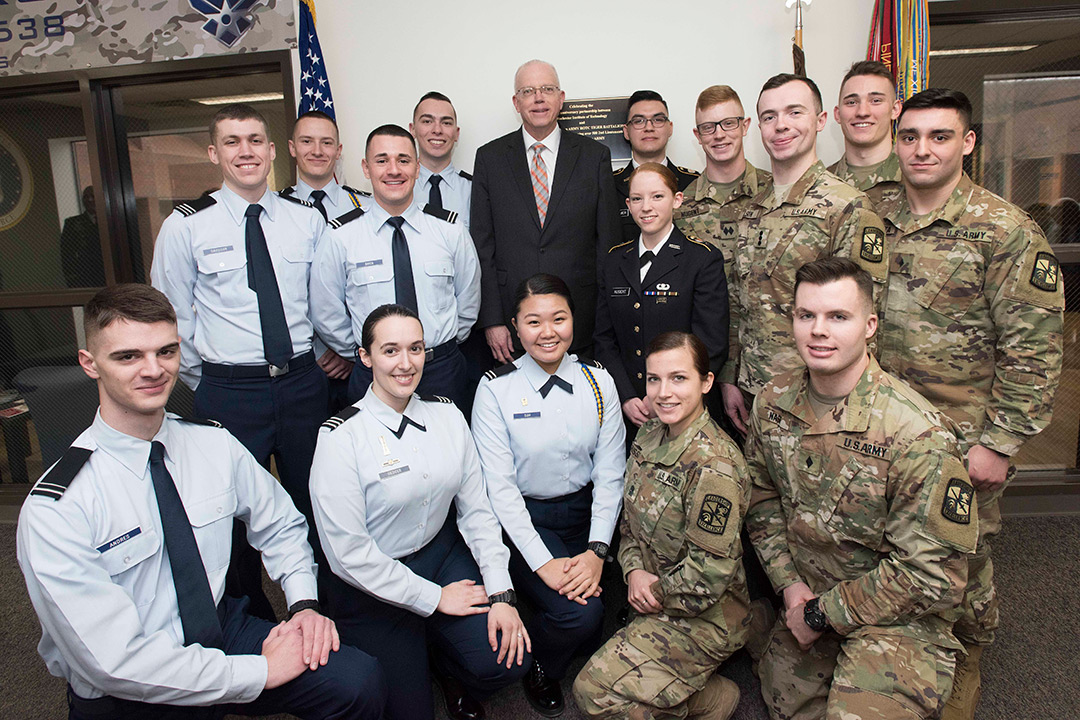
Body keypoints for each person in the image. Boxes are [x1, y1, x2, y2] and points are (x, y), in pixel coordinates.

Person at [17, 283, 386, 720]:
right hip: (129, 687)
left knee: (356, 680)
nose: (153, 370)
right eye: (128, 356)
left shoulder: (212, 445)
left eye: (166, 352)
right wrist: (258, 672)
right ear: (89, 363)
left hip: (218, 630)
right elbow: (112, 662)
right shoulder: (57, 507)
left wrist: (304, 604)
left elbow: (282, 524)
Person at [875, 89, 1064, 720]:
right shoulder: (874, 215)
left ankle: (967, 649)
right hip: (885, 425)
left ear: (968, 143)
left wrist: (1001, 443)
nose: (922, 149)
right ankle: (909, 646)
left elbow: (1034, 349)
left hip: (963, 434)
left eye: (938, 136)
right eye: (910, 136)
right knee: (899, 544)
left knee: (964, 546)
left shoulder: (1005, 230)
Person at [744, 258, 978, 720]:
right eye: (805, 315)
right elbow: (762, 499)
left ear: (870, 325)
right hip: (810, 588)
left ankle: (943, 668)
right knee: (784, 703)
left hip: (899, 616)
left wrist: (820, 615)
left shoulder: (917, 433)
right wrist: (790, 588)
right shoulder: (772, 402)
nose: (818, 331)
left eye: (838, 317)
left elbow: (929, 575)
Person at [150, 103, 328, 620]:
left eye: (255, 140)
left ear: (273, 152)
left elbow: (320, 304)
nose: (245, 151)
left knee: (317, 502)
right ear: (213, 153)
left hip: (300, 385)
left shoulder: (304, 221)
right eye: (232, 142)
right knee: (230, 511)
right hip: (230, 391)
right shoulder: (186, 228)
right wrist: (213, 376)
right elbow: (173, 317)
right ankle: (254, 623)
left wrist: (313, 362)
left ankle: (324, 610)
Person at [311, 304, 530, 720]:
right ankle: (422, 650)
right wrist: (434, 599)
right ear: (365, 356)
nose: (406, 363)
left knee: (507, 658)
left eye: (416, 348)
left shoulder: (448, 415)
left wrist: (502, 593)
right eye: (390, 350)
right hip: (371, 581)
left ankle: (445, 664)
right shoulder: (341, 438)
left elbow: (477, 511)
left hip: (439, 555)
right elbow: (348, 555)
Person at [471, 273, 626, 716]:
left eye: (558, 318)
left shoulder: (599, 380)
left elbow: (611, 471)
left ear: (573, 321)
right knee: (582, 615)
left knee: (590, 610)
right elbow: (498, 489)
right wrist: (543, 563)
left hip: (586, 514)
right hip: (526, 520)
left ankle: (553, 616)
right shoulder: (495, 388)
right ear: (515, 329)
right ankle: (542, 664)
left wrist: (597, 549)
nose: (548, 332)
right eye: (533, 322)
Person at [573, 331, 748, 720]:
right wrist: (633, 569)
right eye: (654, 379)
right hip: (650, 595)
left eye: (678, 378)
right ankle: (704, 696)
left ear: (706, 382)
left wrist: (651, 591)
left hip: (702, 616)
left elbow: (708, 575)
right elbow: (630, 522)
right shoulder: (650, 434)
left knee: (593, 692)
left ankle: (713, 698)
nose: (663, 392)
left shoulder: (714, 466)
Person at [728, 74, 886, 436]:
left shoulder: (846, 207)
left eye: (793, 112)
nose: (780, 125)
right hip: (756, 393)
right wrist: (731, 377)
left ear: (819, 120)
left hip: (819, 399)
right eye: (769, 116)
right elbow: (739, 302)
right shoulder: (753, 209)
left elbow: (865, 316)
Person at [310, 124, 480, 409]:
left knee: (450, 451)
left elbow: (469, 299)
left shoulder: (450, 229)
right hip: (374, 376)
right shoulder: (341, 236)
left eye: (403, 160)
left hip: (442, 370)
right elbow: (326, 312)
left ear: (417, 167)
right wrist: (370, 355)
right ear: (366, 168)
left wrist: (436, 346)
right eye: (382, 160)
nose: (393, 170)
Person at [471, 59, 621, 363]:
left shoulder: (594, 157)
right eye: (528, 91)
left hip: (581, 320)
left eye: (547, 89)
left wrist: (606, 320)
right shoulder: (490, 159)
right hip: (512, 324)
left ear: (561, 98)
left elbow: (609, 244)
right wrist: (492, 320)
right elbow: (482, 247)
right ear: (516, 102)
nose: (539, 98)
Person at [595, 163, 728, 432]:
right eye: (637, 198)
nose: (646, 207)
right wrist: (627, 396)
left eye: (657, 196)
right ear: (628, 204)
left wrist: (661, 396)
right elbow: (603, 338)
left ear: (676, 200)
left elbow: (710, 344)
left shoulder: (701, 259)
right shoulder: (614, 260)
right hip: (630, 409)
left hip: (683, 406)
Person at [674, 85, 772, 429]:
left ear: (745, 125)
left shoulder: (775, 195)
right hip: (709, 370)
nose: (719, 135)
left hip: (775, 364)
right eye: (708, 127)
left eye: (728, 123)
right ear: (697, 136)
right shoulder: (682, 210)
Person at [282, 109, 370, 415]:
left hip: (361, 361)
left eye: (326, 142)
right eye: (307, 141)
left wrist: (351, 351)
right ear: (292, 148)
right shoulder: (273, 213)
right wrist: (318, 351)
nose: (317, 151)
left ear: (339, 150)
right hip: (302, 364)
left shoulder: (368, 206)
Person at [612, 90, 699, 244]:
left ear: (670, 128)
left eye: (658, 120)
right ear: (626, 131)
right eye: (639, 121)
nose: (649, 127)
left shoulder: (694, 183)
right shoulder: (608, 185)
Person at [828, 60, 903, 212]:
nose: (862, 112)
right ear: (837, 114)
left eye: (875, 101)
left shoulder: (916, 178)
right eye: (851, 102)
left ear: (895, 109)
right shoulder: (820, 184)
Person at [410, 91, 473, 228]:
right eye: (427, 121)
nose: (437, 130)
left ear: (456, 134)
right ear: (413, 130)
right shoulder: (399, 187)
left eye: (446, 122)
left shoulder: (474, 190)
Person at [60, 185, 106, 288]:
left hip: (109, 276)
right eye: (86, 197)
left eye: (93, 196)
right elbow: (66, 253)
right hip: (86, 278)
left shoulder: (111, 221)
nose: (89, 200)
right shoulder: (72, 223)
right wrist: (72, 279)